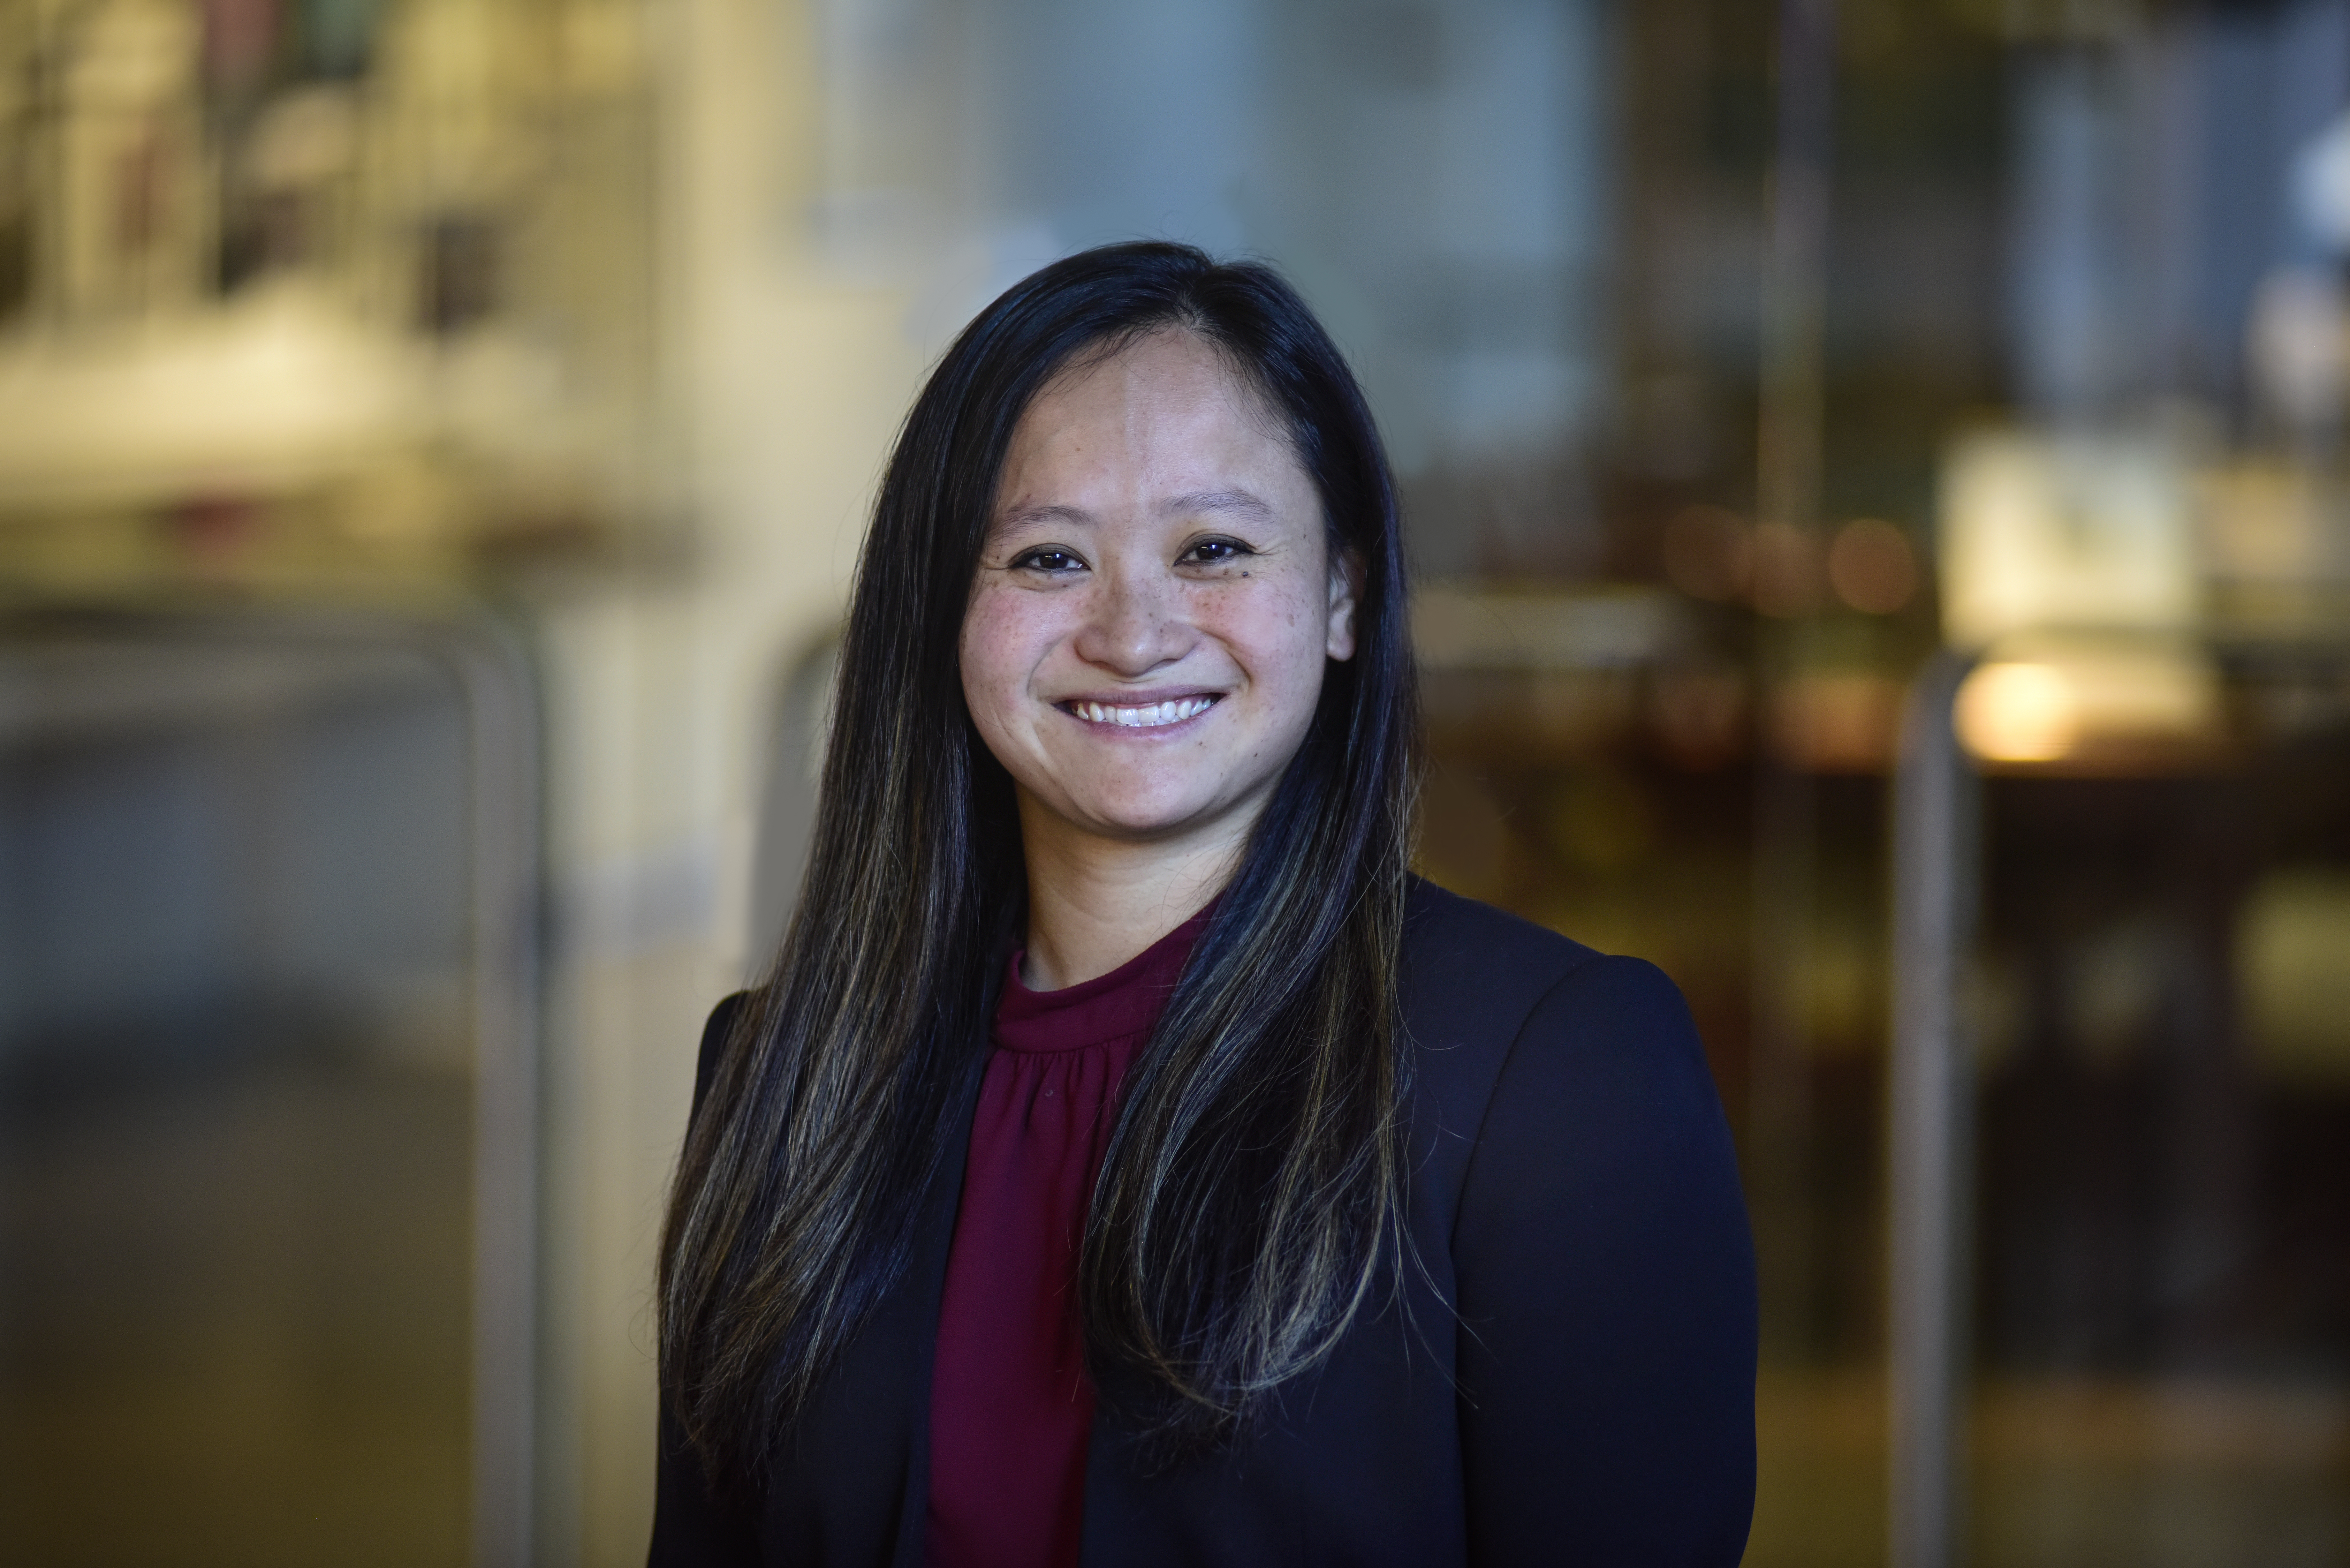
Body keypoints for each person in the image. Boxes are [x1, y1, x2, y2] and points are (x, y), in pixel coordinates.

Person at [649, 242, 1755, 1567]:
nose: (1133, 631)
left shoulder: (1559, 1079)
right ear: (942, 608)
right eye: (1049, 559)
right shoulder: (781, 1073)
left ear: (1342, 593)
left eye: (1215, 547)